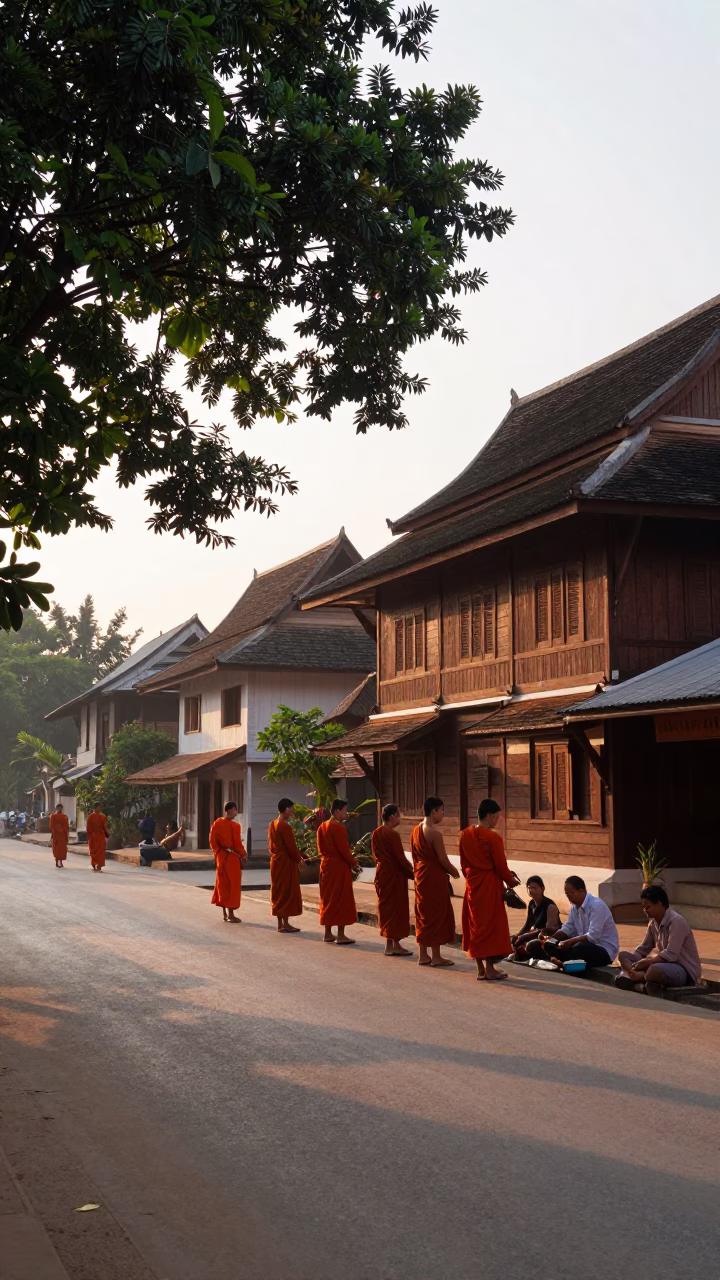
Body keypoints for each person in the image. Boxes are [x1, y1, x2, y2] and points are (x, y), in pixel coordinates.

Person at [459, 798, 522, 982]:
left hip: (473, 884)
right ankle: (489, 968)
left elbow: (464, 864)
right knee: (490, 927)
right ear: (489, 815)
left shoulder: (464, 834)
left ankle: (480, 969)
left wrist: (472, 878)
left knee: (476, 926)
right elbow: (501, 866)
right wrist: (511, 881)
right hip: (489, 885)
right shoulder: (493, 837)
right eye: (496, 817)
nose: (497, 821)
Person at [615, 884, 702, 996]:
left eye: (648, 907)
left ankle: (637, 977)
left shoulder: (676, 922)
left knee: (654, 969)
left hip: (683, 970)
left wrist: (648, 963)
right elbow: (643, 949)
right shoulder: (653, 923)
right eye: (644, 907)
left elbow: (671, 954)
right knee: (623, 955)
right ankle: (638, 978)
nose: (645, 911)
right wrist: (635, 962)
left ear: (659, 904)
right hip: (662, 965)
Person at [526, 875, 619, 970]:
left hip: (604, 950)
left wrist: (569, 942)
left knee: (579, 947)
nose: (569, 897)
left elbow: (593, 936)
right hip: (580, 946)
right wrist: (552, 938)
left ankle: (561, 961)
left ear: (582, 890)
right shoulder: (574, 907)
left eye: (572, 893)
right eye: (567, 894)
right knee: (546, 944)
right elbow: (567, 928)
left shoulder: (596, 906)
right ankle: (563, 961)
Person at [411, 797, 460, 968]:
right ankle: (437, 957)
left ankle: (423, 955)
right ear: (433, 812)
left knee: (423, 914)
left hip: (421, 876)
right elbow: (443, 860)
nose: (442, 814)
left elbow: (415, 857)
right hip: (434, 877)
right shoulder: (434, 834)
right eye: (441, 810)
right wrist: (455, 873)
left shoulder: (415, 830)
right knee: (436, 915)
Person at [371, 804, 414, 956]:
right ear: (391, 817)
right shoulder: (392, 835)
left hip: (382, 873)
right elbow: (400, 859)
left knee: (387, 908)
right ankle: (392, 945)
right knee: (396, 909)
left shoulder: (376, 833)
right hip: (394, 875)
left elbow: (375, 855)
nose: (400, 818)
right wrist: (414, 874)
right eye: (398, 814)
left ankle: (393, 944)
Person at [316, 799, 360, 945]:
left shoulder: (322, 827)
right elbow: (344, 851)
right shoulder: (338, 827)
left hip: (326, 865)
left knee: (328, 898)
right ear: (336, 811)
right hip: (338, 866)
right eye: (344, 810)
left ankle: (328, 933)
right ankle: (341, 935)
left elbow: (320, 849)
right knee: (342, 898)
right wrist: (354, 864)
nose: (345, 813)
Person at [268, 798, 305, 933]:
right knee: (287, 891)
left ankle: (281, 923)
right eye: (291, 809)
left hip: (276, 861)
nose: (293, 812)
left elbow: (271, 846)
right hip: (285, 862)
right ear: (286, 809)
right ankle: (286, 923)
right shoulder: (284, 826)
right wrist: (299, 860)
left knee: (278, 891)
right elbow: (291, 847)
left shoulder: (273, 824)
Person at [210, 801, 247, 923]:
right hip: (232, 857)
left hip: (221, 856)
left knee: (223, 884)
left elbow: (212, 842)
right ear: (231, 810)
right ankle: (231, 914)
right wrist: (243, 855)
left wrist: (218, 854)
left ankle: (225, 913)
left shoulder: (216, 823)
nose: (236, 812)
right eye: (236, 810)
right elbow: (237, 844)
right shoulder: (235, 826)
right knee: (232, 885)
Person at [510, 875, 560, 962]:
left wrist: (526, 936)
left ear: (542, 889)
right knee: (514, 939)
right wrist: (517, 936)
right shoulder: (531, 904)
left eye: (534, 888)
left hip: (549, 939)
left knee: (532, 945)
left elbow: (549, 931)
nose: (531, 890)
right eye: (529, 888)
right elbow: (527, 925)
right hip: (535, 935)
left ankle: (549, 959)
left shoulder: (550, 906)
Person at [86, 803, 109, 872]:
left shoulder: (103, 817)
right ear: (95, 808)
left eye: (100, 807)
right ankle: (94, 864)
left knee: (101, 851)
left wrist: (107, 833)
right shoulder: (90, 817)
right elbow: (88, 828)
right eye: (98, 807)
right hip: (93, 836)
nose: (99, 809)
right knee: (93, 850)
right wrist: (91, 834)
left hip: (100, 836)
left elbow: (105, 826)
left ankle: (99, 865)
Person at [49, 803, 69, 868]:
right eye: (59, 808)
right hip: (56, 835)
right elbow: (51, 825)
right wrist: (57, 829)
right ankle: (57, 862)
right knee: (57, 849)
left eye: (61, 808)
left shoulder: (65, 816)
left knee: (62, 849)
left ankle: (61, 862)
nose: (60, 809)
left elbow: (66, 826)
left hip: (62, 835)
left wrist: (64, 832)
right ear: (56, 808)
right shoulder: (53, 816)